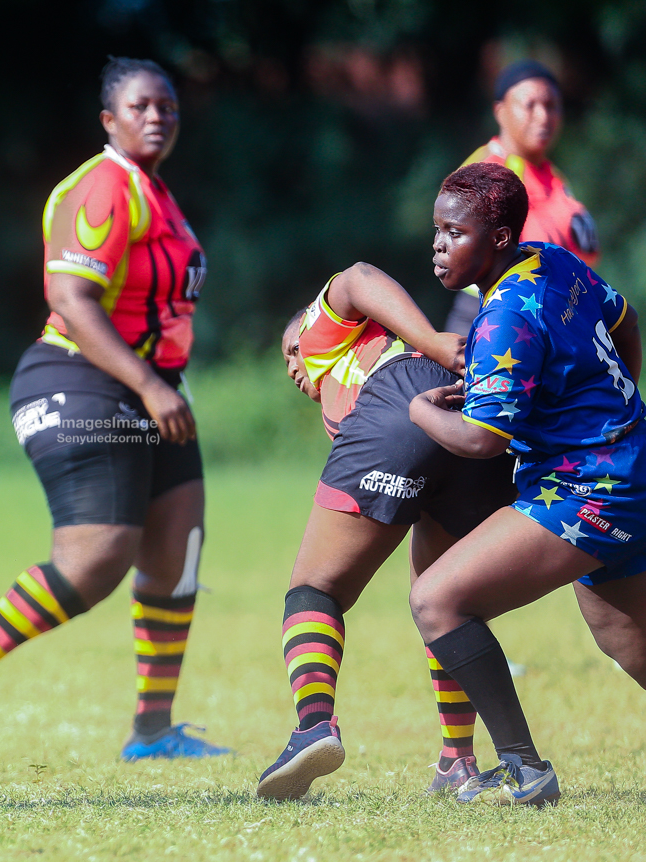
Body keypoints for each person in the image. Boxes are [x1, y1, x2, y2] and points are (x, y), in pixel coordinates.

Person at [0, 57, 227, 763]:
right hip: (79, 381)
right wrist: (149, 386)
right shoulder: (104, 186)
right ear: (109, 119)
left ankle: (153, 730)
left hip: (152, 388)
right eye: (141, 106)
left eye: (168, 107)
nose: (157, 117)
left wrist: (160, 387)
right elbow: (70, 299)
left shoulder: (157, 193)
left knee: (177, 549)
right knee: (97, 558)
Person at [410, 161, 645, 806]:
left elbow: (482, 440)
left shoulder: (504, 317)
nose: (439, 246)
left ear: (500, 239)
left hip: (586, 488)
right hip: (628, 465)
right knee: (627, 639)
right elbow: (626, 322)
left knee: (436, 600)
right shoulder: (554, 260)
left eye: (456, 233)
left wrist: (419, 410)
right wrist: (611, 407)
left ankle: (524, 768)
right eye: (437, 230)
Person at [256, 264, 516, 801]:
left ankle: (313, 726)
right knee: (443, 599)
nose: (292, 367)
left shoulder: (325, 339)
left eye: (290, 352)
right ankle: (458, 761)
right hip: (468, 419)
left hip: (401, 400)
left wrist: (433, 341)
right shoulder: (342, 395)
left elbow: (357, 278)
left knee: (315, 589)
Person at [445, 59, 600, 336]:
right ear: (501, 111)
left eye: (551, 105)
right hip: (492, 322)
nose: (543, 116)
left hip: (547, 318)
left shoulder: (552, 176)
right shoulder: (485, 172)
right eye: (530, 105)